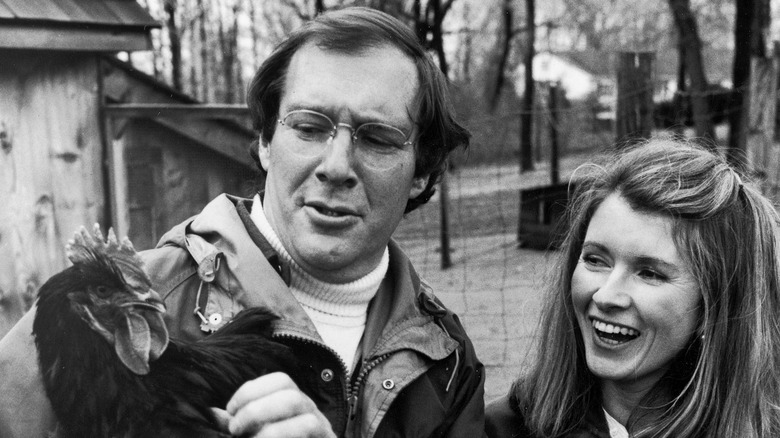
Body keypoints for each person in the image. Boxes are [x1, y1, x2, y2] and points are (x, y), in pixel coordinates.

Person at [0, 7, 486, 437]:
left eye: (378, 138)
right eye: (309, 127)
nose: (336, 166)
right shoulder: (97, 313)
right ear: (266, 142)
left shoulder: (445, 358)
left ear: (421, 172)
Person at [486, 138, 780, 437]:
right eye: (596, 260)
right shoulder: (503, 428)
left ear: (714, 304)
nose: (605, 296)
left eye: (650, 273)